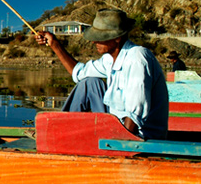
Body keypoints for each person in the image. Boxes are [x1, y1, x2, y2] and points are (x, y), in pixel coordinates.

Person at [35, 8, 169, 140]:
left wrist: (121, 145)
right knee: (90, 84)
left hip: (140, 136)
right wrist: (55, 45)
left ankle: (61, 136)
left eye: (99, 38)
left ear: (117, 38)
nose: (94, 42)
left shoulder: (137, 58)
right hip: (117, 125)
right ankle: (61, 131)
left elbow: (134, 113)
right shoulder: (110, 59)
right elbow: (79, 72)